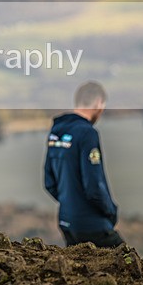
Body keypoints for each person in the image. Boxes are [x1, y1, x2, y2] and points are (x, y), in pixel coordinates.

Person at [43, 80, 125, 248]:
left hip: (66, 223)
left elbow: (49, 183)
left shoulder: (56, 131)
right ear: (99, 104)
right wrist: (111, 212)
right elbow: (93, 186)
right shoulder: (88, 133)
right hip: (92, 226)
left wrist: (70, 202)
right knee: (128, 263)